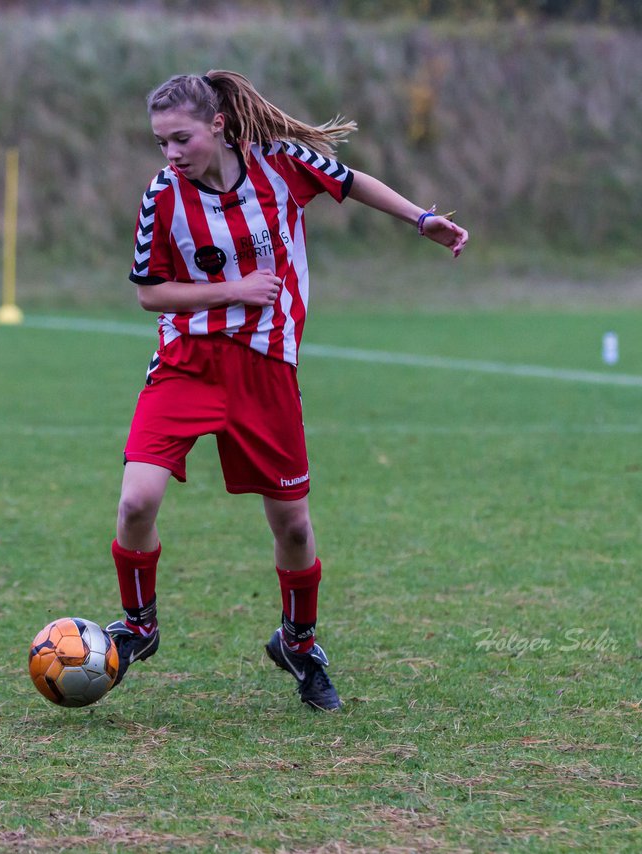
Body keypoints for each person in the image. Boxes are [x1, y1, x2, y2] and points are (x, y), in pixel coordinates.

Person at [106, 70, 468, 711]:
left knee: (293, 524)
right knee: (136, 503)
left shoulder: (280, 164)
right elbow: (148, 292)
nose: (171, 154)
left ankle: (298, 643)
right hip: (186, 363)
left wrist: (423, 219)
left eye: (181, 139)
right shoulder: (162, 197)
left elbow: (352, 183)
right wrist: (231, 291)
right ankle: (138, 627)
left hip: (267, 367)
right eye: (161, 142)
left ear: (216, 126)